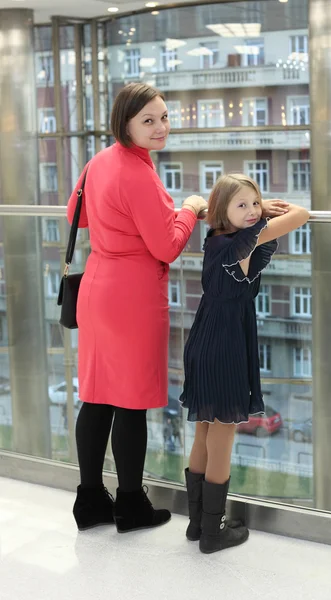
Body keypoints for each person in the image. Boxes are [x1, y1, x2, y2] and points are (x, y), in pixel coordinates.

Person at [67, 82, 208, 533]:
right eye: (148, 120)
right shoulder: (137, 172)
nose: (160, 127)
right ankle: (130, 504)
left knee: (96, 396)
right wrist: (188, 208)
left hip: (96, 287)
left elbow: (76, 217)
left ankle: (89, 501)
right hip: (131, 297)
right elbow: (166, 246)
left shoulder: (98, 162)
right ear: (125, 124)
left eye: (164, 117)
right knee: (129, 403)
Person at [180, 174, 309, 554]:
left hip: (207, 335)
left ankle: (197, 524)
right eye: (243, 205)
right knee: (222, 435)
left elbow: (216, 211)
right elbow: (300, 214)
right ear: (222, 212)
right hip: (225, 342)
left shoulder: (218, 238)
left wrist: (251, 209)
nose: (252, 211)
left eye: (255, 202)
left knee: (205, 430)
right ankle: (213, 532)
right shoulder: (239, 241)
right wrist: (267, 210)